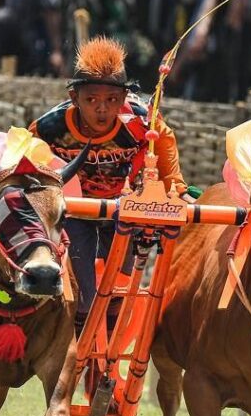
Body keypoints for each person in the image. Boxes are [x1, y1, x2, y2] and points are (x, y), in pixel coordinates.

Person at [28, 37, 192, 334]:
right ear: (74, 97)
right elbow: (29, 159)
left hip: (123, 211)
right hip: (76, 213)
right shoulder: (49, 127)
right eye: (92, 100)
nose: (102, 109)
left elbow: (164, 141)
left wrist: (177, 188)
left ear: (124, 99)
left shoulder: (142, 120)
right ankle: (81, 347)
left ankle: (107, 361)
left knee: (119, 289)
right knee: (85, 296)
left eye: (112, 100)